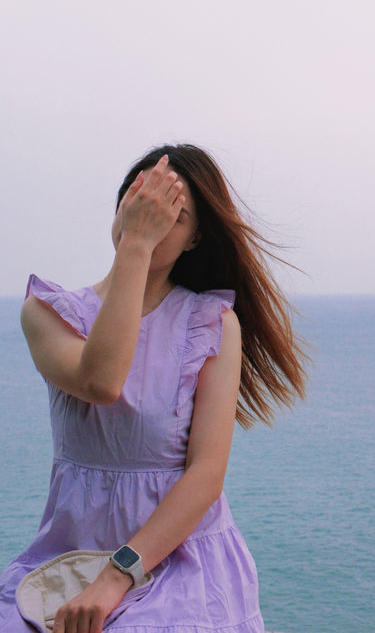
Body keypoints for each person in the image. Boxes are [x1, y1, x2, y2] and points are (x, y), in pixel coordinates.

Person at [0, 144, 306, 633]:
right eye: (141, 197)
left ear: (194, 240)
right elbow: (100, 381)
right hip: (70, 556)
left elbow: (206, 476)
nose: (150, 214)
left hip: (179, 560)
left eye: (172, 213)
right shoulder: (49, 312)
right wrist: (137, 250)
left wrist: (117, 576)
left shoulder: (211, 324)